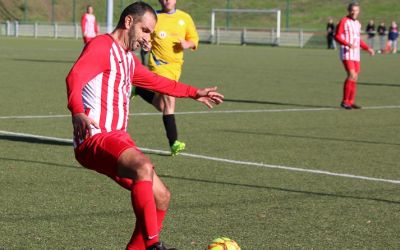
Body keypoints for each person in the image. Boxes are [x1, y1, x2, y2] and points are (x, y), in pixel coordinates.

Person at [66, 2, 223, 250]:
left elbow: (156, 81)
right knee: (143, 166)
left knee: (161, 196)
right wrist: (77, 112)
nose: (147, 38)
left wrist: (194, 93)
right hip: (95, 137)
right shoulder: (101, 45)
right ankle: (153, 246)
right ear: (129, 22)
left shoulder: (127, 59)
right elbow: (75, 76)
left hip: (117, 139)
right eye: (146, 30)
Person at [132, 0, 199, 156]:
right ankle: (174, 142)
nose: (167, 0)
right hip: (158, 66)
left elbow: (194, 40)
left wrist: (186, 44)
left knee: (163, 106)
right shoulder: (153, 17)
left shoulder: (185, 18)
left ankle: (139, 89)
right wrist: (146, 44)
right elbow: (145, 36)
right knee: (170, 101)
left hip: (176, 67)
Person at [334, 2, 374, 110]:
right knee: (352, 75)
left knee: (355, 77)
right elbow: (336, 36)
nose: (353, 12)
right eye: (352, 10)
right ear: (348, 10)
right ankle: (344, 102)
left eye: (356, 10)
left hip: (356, 54)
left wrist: (367, 48)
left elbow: (358, 40)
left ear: (358, 11)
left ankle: (351, 102)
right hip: (347, 53)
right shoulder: (344, 21)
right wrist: (347, 44)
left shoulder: (358, 24)